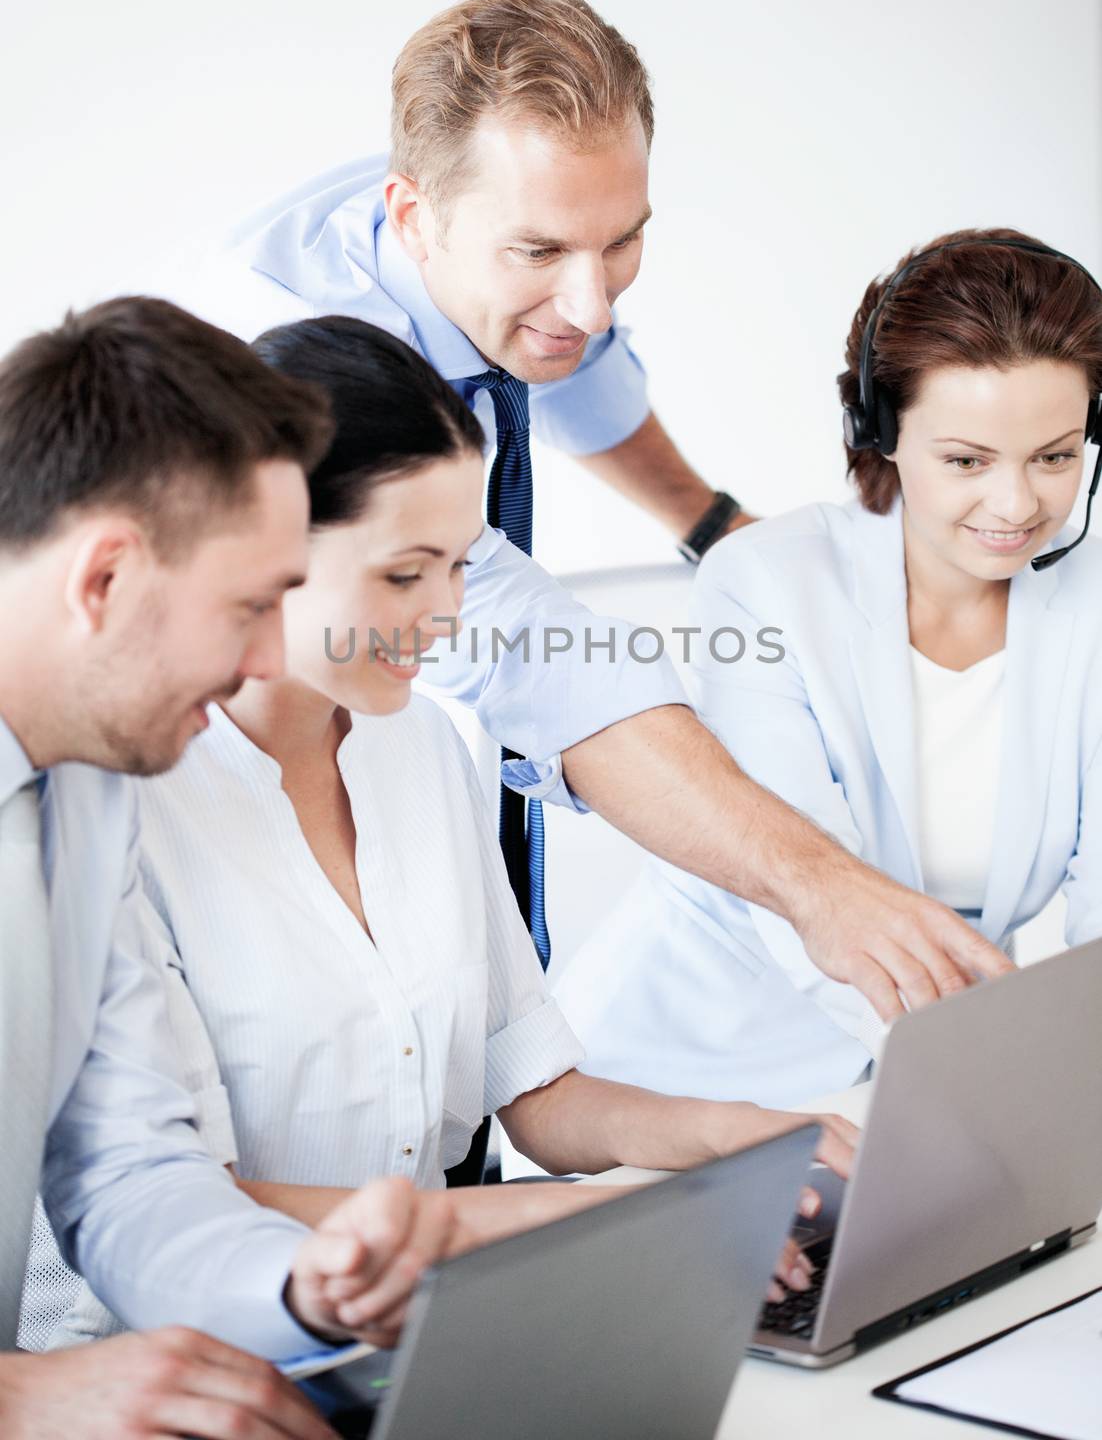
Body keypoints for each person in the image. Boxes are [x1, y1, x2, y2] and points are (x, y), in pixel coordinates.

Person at [176, 0, 1012, 1023]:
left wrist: (710, 525)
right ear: (411, 216)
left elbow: (576, 360)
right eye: (542, 254)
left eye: (623, 240)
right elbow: (531, 655)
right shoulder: (295, 381)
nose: (594, 299)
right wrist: (819, 887)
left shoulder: (496, 213)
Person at [46, 316, 857, 1347]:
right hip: (181, 1359)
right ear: (264, 545)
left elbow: (534, 1092)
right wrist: (548, 1226)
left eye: (463, 567)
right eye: (403, 573)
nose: (445, 614)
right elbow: (181, 1208)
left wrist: (737, 1137)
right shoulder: (119, 800)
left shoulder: (419, 743)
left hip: (422, 1335)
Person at [0, 298, 481, 1438]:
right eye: (250, 606)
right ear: (105, 577)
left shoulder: (92, 787)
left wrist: (297, 1286)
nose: (273, 655)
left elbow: (125, 1172)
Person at [553, 229, 1102, 1105]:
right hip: (678, 1074)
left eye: (1056, 456)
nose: (1016, 503)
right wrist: (985, 1080)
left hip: (909, 1081)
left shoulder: (1090, 608)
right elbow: (805, 899)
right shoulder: (769, 580)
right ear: (878, 431)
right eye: (966, 460)